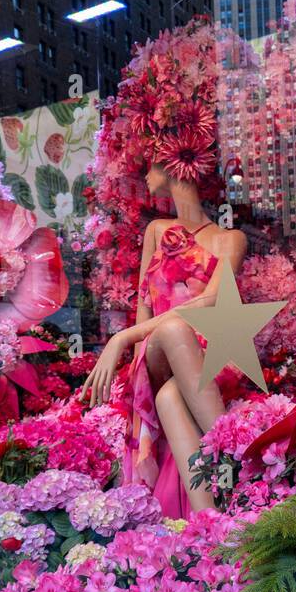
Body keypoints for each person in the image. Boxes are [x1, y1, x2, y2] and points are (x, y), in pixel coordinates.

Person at [81, 163, 245, 514]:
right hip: (155, 354)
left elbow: (211, 301)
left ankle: (210, 520)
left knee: (171, 396)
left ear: (176, 168)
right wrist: (133, 361)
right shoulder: (157, 230)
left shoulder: (231, 239)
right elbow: (145, 305)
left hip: (206, 354)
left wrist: (120, 338)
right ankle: (236, 457)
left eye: (152, 164)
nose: (144, 174)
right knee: (171, 331)